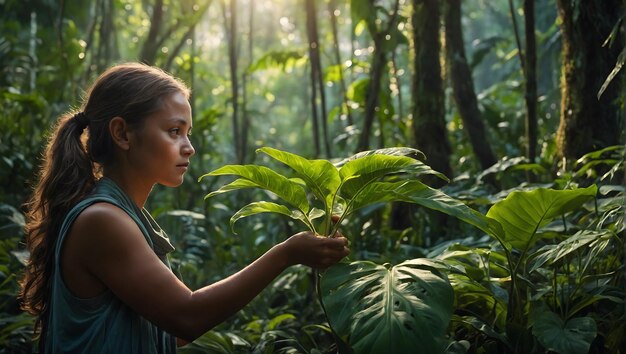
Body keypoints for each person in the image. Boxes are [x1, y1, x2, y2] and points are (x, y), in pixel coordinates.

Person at [19, 62, 350, 353]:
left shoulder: (122, 216)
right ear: (122, 133)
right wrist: (286, 254)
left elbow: (167, 329)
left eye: (187, 133)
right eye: (174, 131)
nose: (189, 148)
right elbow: (186, 318)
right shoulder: (103, 220)